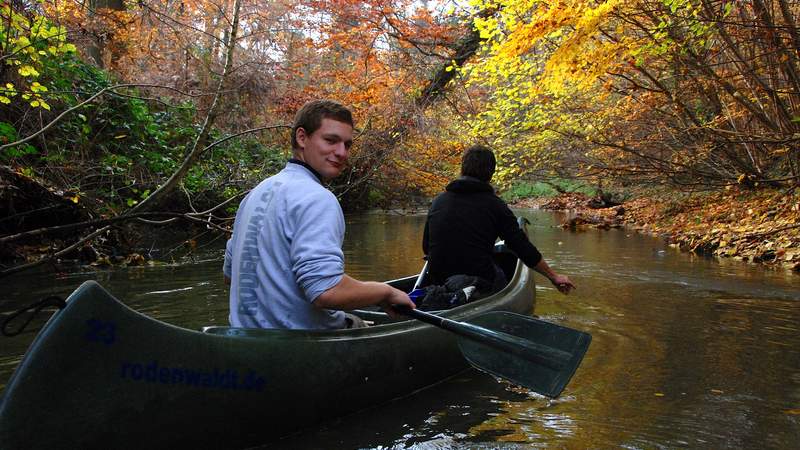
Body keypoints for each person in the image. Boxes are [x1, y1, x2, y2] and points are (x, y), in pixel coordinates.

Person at [223, 99, 415, 329]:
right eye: (331, 140)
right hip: (302, 346)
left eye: (347, 144)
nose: (342, 152)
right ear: (302, 138)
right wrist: (385, 292)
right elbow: (326, 291)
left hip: (245, 338)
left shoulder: (256, 194)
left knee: (355, 320)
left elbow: (230, 275)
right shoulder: (317, 198)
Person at [422, 145, 575, 297]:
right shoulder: (495, 205)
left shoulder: (438, 201)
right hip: (477, 282)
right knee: (504, 266)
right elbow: (521, 247)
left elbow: (426, 247)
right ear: (491, 173)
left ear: (462, 169)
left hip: (438, 281)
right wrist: (553, 276)